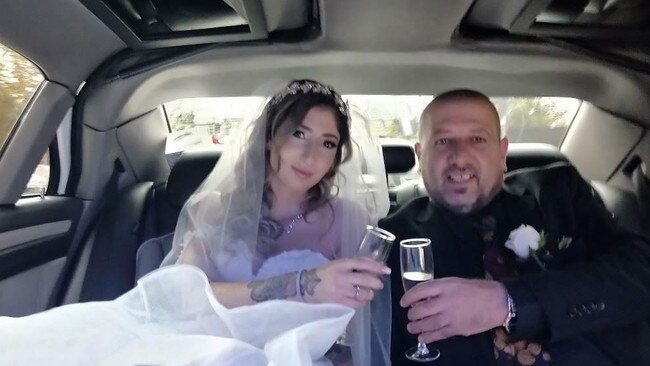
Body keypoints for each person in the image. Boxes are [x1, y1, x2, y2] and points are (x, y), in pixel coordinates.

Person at [0, 80, 392, 366]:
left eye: (327, 143)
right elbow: (186, 296)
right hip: (203, 346)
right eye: (298, 134)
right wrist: (305, 283)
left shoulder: (348, 219)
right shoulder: (216, 209)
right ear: (270, 139)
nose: (311, 155)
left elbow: (356, 322)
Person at [380, 89, 650, 365]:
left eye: (477, 139)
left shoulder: (558, 193)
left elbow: (640, 272)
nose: (460, 157)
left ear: (502, 152)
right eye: (443, 141)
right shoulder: (393, 235)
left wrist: (507, 301)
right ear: (420, 155)